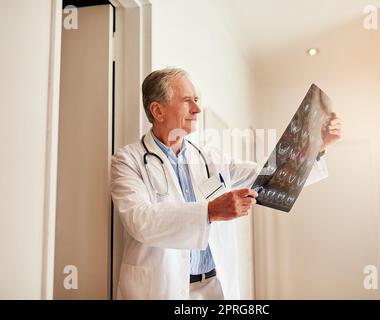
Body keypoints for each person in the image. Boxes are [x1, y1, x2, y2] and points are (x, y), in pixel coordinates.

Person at [110, 68, 342, 300]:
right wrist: (209, 211)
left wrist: (316, 147)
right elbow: (140, 220)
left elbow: (266, 178)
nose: (197, 109)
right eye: (187, 101)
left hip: (213, 286)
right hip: (160, 288)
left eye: (197, 100)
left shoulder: (209, 157)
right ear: (158, 111)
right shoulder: (127, 161)